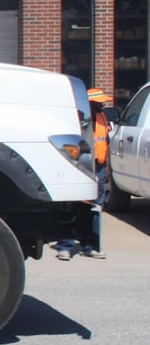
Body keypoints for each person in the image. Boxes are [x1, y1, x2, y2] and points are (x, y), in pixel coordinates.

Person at [58, 88, 112, 260]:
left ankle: (91, 246)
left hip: (99, 168)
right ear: (89, 104)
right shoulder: (78, 120)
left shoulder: (102, 119)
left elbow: (106, 145)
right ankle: (65, 246)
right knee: (73, 208)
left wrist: (107, 171)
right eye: (98, 103)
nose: (102, 105)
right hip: (81, 167)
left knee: (95, 209)